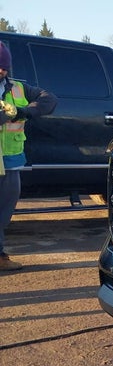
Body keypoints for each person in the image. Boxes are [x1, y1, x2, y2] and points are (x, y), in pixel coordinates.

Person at [0, 41, 58, 272]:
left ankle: (0, 256)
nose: (0, 71)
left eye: (3, 66)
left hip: (11, 162)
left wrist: (23, 111)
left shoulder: (19, 89)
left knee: (4, 212)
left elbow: (49, 100)